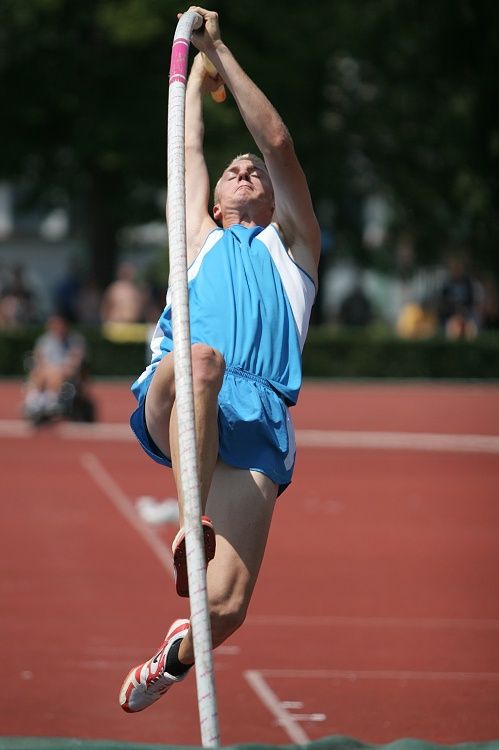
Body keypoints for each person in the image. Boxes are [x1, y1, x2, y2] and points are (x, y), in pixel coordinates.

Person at [119, 6, 320, 714]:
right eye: (231, 169)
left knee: (226, 608)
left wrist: (219, 54)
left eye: (252, 172)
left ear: (270, 196)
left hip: (259, 413)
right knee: (202, 358)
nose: (243, 168)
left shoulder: (293, 250)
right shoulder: (195, 238)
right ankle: (189, 520)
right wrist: (192, 60)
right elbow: (188, 139)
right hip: (183, 385)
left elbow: (277, 141)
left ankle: (170, 659)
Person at [23, 312, 89, 423]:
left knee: (54, 372)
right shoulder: (44, 340)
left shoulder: (75, 340)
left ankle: (50, 402)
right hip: (47, 371)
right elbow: (38, 358)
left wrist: (61, 367)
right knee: (40, 371)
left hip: (65, 372)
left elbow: (76, 361)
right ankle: (34, 401)